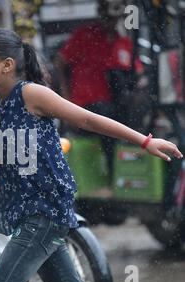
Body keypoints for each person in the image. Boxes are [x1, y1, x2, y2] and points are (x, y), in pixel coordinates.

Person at [0, 28, 183, 282]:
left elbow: (86, 119)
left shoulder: (31, 94)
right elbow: (9, 156)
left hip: (43, 212)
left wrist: (144, 142)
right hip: (30, 214)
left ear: (6, 65)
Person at [54, 0, 132, 185]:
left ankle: (128, 173)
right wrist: (66, 103)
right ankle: (114, 177)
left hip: (114, 105)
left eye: (114, 17)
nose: (109, 21)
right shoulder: (85, 35)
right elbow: (60, 62)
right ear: (99, 12)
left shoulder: (124, 43)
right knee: (109, 118)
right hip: (86, 105)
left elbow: (134, 73)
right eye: (106, 14)